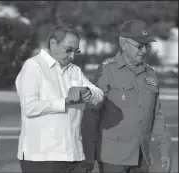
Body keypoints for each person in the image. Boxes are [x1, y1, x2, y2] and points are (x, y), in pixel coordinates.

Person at [15, 23, 104, 172]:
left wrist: (85, 90)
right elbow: (29, 107)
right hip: (41, 157)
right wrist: (65, 102)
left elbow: (99, 95)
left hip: (74, 155)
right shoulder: (33, 66)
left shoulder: (74, 70)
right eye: (68, 50)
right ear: (53, 43)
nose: (72, 56)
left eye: (76, 51)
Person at [93, 20, 172, 173]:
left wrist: (165, 150)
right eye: (139, 46)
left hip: (142, 158)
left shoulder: (150, 74)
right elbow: (92, 113)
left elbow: (157, 116)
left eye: (147, 46)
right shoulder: (107, 70)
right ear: (123, 44)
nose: (144, 50)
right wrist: (89, 153)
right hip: (113, 158)